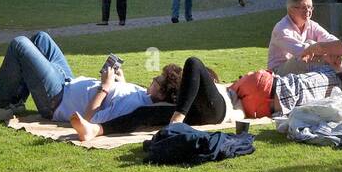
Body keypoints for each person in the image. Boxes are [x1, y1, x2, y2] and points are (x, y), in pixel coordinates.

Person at [0, 30, 152, 124]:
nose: (153, 81)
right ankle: (15, 101)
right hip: (68, 82)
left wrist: (105, 86)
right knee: (42, 38)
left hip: (57, 100)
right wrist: (121, 81)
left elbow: (89, 119)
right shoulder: (144, 94)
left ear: (162, 92)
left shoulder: (134, 105)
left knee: (20, 44)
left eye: (158, 82)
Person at [69, 56, 239, 142]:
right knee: (143, 113)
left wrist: (177, 116)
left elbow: (194, 65)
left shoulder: (217, 89)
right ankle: (95, 130)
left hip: (215, 110)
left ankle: (176, 121)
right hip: (194, 114)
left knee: (192, 61)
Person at [267, 0, 342, 73]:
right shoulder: (281, 29)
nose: (308, 11)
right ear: (291, 10)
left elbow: (327, 38)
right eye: (303, 7)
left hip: (301, 64)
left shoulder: (312, 25)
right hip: (278, 72)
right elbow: (303, 51)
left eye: (310, 7)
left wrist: (339, 47)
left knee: (329, 51)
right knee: (310, 49)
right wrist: (329, 53)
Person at [229, 64, 342, 118]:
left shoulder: (327, 73)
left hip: (269, 88)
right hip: (265, 105)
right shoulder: (335, 97)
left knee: (232, 92)